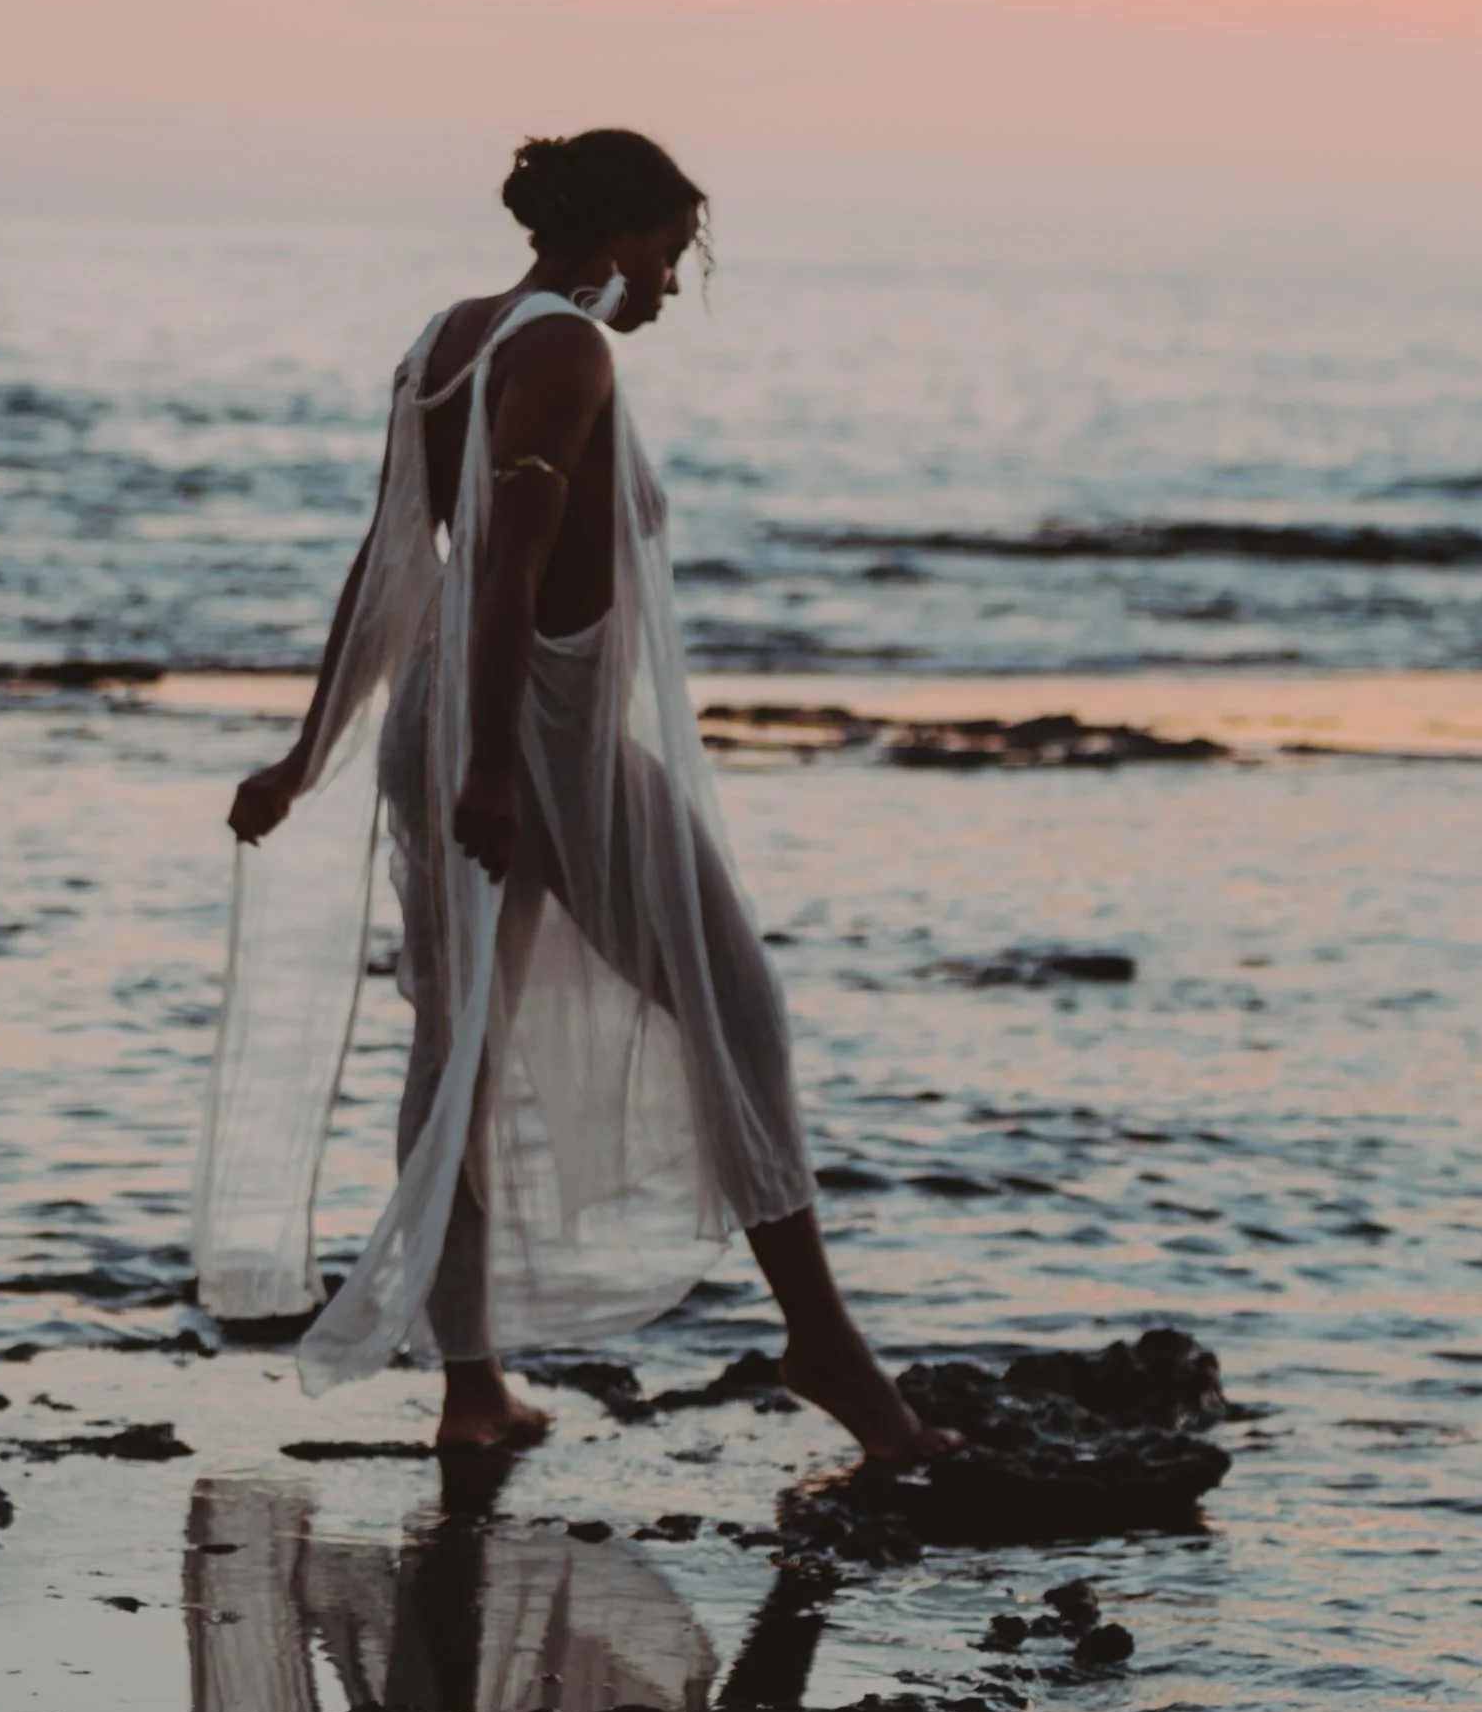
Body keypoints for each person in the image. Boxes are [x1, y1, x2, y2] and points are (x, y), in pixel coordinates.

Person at [198, 126, 946, 1464]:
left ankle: (472, 1386)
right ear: (616, 236)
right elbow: (490, 570)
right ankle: (823, 1344)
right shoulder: (567, 349)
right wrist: (493, 760)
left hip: (453, 721)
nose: (670, 285)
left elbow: (387, 570)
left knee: (458, 1048)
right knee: (736, 1005)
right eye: (669, 251)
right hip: (533, 732)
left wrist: (308, 754)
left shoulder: (447, 336)